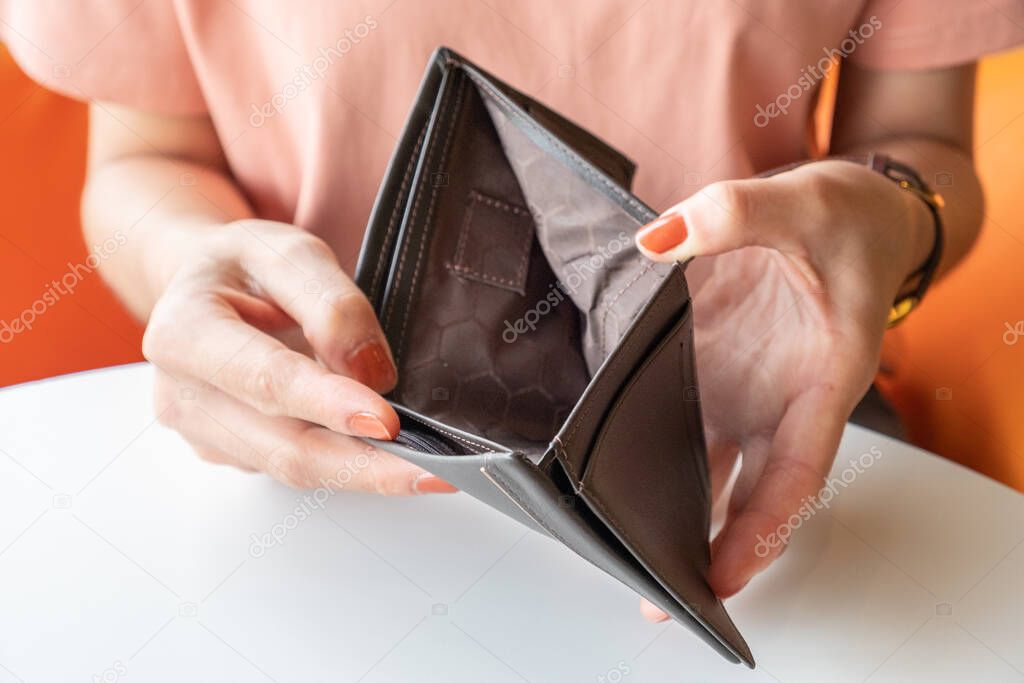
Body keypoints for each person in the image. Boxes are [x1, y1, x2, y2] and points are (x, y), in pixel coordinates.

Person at [3, 0, 1021, 617]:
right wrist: (194, 266)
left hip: (758, 437)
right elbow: (149, 162)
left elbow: (922, 147)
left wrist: (893, 215)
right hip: (301, 452)